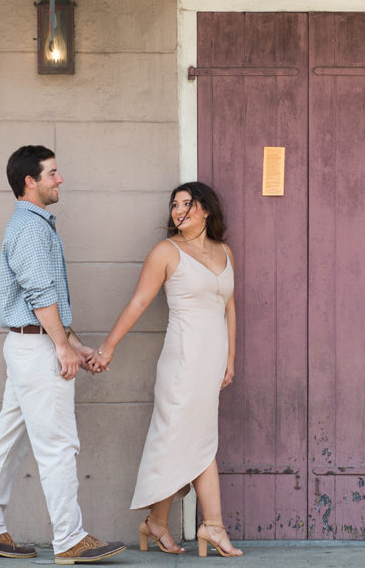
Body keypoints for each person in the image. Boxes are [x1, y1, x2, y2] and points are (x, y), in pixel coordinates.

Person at [0, 145, 126, 564]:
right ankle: (70, 538)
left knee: (8, 439)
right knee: (58, 444)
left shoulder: (29, 225)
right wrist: (60, 346)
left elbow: (41, 297)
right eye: (52, 173)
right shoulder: (32, 228)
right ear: (29, 182)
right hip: (37, 348)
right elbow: (40, 294)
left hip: (29, 344)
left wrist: (73, 343)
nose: (59, 180)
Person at [91, 181, 243, 558]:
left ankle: (156, 523)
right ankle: (214, 526)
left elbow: (229, 309)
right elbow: (139, 302)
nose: (179, 212)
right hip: (183, 361)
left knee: (185, 440)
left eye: (188, 205)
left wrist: (231, 359)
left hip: (211, 361)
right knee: (197, 439)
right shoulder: (165, 251)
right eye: (175, 205)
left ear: (206, 209)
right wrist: (108, 346)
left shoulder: (225, 251)